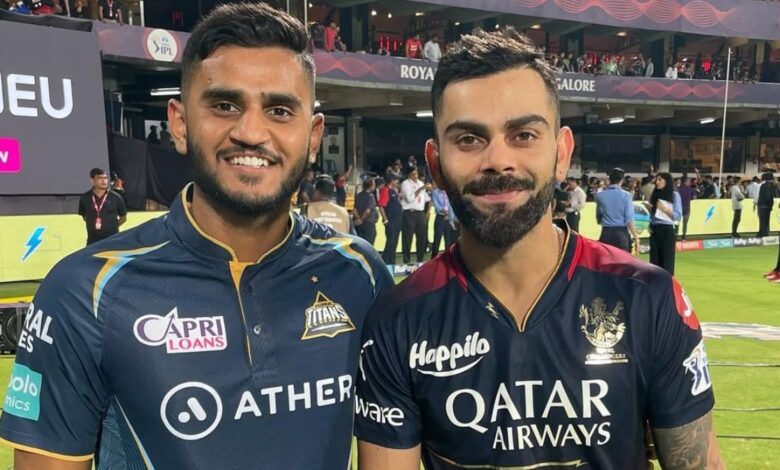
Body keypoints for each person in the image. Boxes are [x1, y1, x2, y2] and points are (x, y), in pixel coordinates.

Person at [0, 4, 392, 469]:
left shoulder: (361, 274)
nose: (251, 132)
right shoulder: (85, 292)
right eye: (225, 105)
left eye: (279, 110)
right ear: (180, 123)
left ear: (313, 136)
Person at [355, 28, 722, 470]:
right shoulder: (398, 319)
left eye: (523, 135)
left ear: (561, 153)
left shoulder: (648, 297)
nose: (498, 160)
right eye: (468, 139)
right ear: (435, 164)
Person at [77, 167, 127, 245]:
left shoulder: (116, 197)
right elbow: (84, 216)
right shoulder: (85, 198)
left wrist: (111, 226)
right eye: (100, 178)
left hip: (112, 240)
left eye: (105, 178)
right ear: (92, 180)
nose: (104, 181)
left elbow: (123, 218)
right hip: (92, 241)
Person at [596, 168, 640, 253]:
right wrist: (636, 238)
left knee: (607, 260)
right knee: (622, 260)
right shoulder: (626, 196)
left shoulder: (600, 196)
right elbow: (629, 220)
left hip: (606, 233)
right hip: (621, 233)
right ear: (622, 180)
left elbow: (598, 218)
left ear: (610, 179)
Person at [645, 172, 682, 275]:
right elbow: (653, 215)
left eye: (660, 180)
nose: (657, 182)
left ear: (667, 181)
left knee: (667, 262)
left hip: (667, 229)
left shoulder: (674, 195)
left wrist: (664, 209)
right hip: (654, 229)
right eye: (657, 180)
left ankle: (667, 283)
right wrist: (650, 212)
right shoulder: (654, 195)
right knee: (654, 262)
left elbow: (678, 215)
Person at [400, 167, 431, 264]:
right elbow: (409, 199)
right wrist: (421, 189)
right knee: (407, 238)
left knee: (422, 237)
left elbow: (427, 199)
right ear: (409, 174)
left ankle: (420, 260)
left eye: (416, 174)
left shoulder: (421, 183)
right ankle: (407, 261)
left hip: (420, 213)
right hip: (410, 212)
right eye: (413, 174)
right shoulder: (405, 184)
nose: (416, 176)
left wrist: (427, 212)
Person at [378, 175, 403, 265]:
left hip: (397, 220)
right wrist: (385, 220)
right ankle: (386, 261)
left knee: (394, 242)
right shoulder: (386, 190)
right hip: (391, 221)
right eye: (396, 180)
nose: (397, 182)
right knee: (390, 242)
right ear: (392, 181)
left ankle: (392, 261)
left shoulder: (393, 191)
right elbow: (381, 206)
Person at [430, 181, 455, 257]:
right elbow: (436, 205)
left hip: (448, 218)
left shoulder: (448, 193)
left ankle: (447, 258)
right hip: (440, 217)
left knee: (448, 240)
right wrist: (444, 211)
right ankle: (434, 257)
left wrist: (451, 220)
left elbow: (450, 206)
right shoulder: (435, 193)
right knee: (437, 238)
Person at [354, 177, 379, 245]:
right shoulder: (370, 196)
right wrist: (361, 219)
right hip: (368, 222)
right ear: (371, 185)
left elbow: (355, 209)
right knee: (369, 243)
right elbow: (368, 210)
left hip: (359, 223)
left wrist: (358, 218)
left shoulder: (359, 195)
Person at [757, 171, 777, 237]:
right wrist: (771, 205)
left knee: (762, 221)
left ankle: (761, 233)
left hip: (762, 206)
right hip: (765, 206)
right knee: (765, 221)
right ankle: (764, 235)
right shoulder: (768, 186)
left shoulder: (764, 185)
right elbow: (768, 197)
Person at [677, 176, 695, 241]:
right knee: (685, 224)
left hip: (678, 208)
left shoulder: (677, 189)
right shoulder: (690, 189)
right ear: (686, 181)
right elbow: (694, 197)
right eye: (689, 181)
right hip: (687, 208)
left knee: (676, 223)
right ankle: (683, 237)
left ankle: (674, 236)